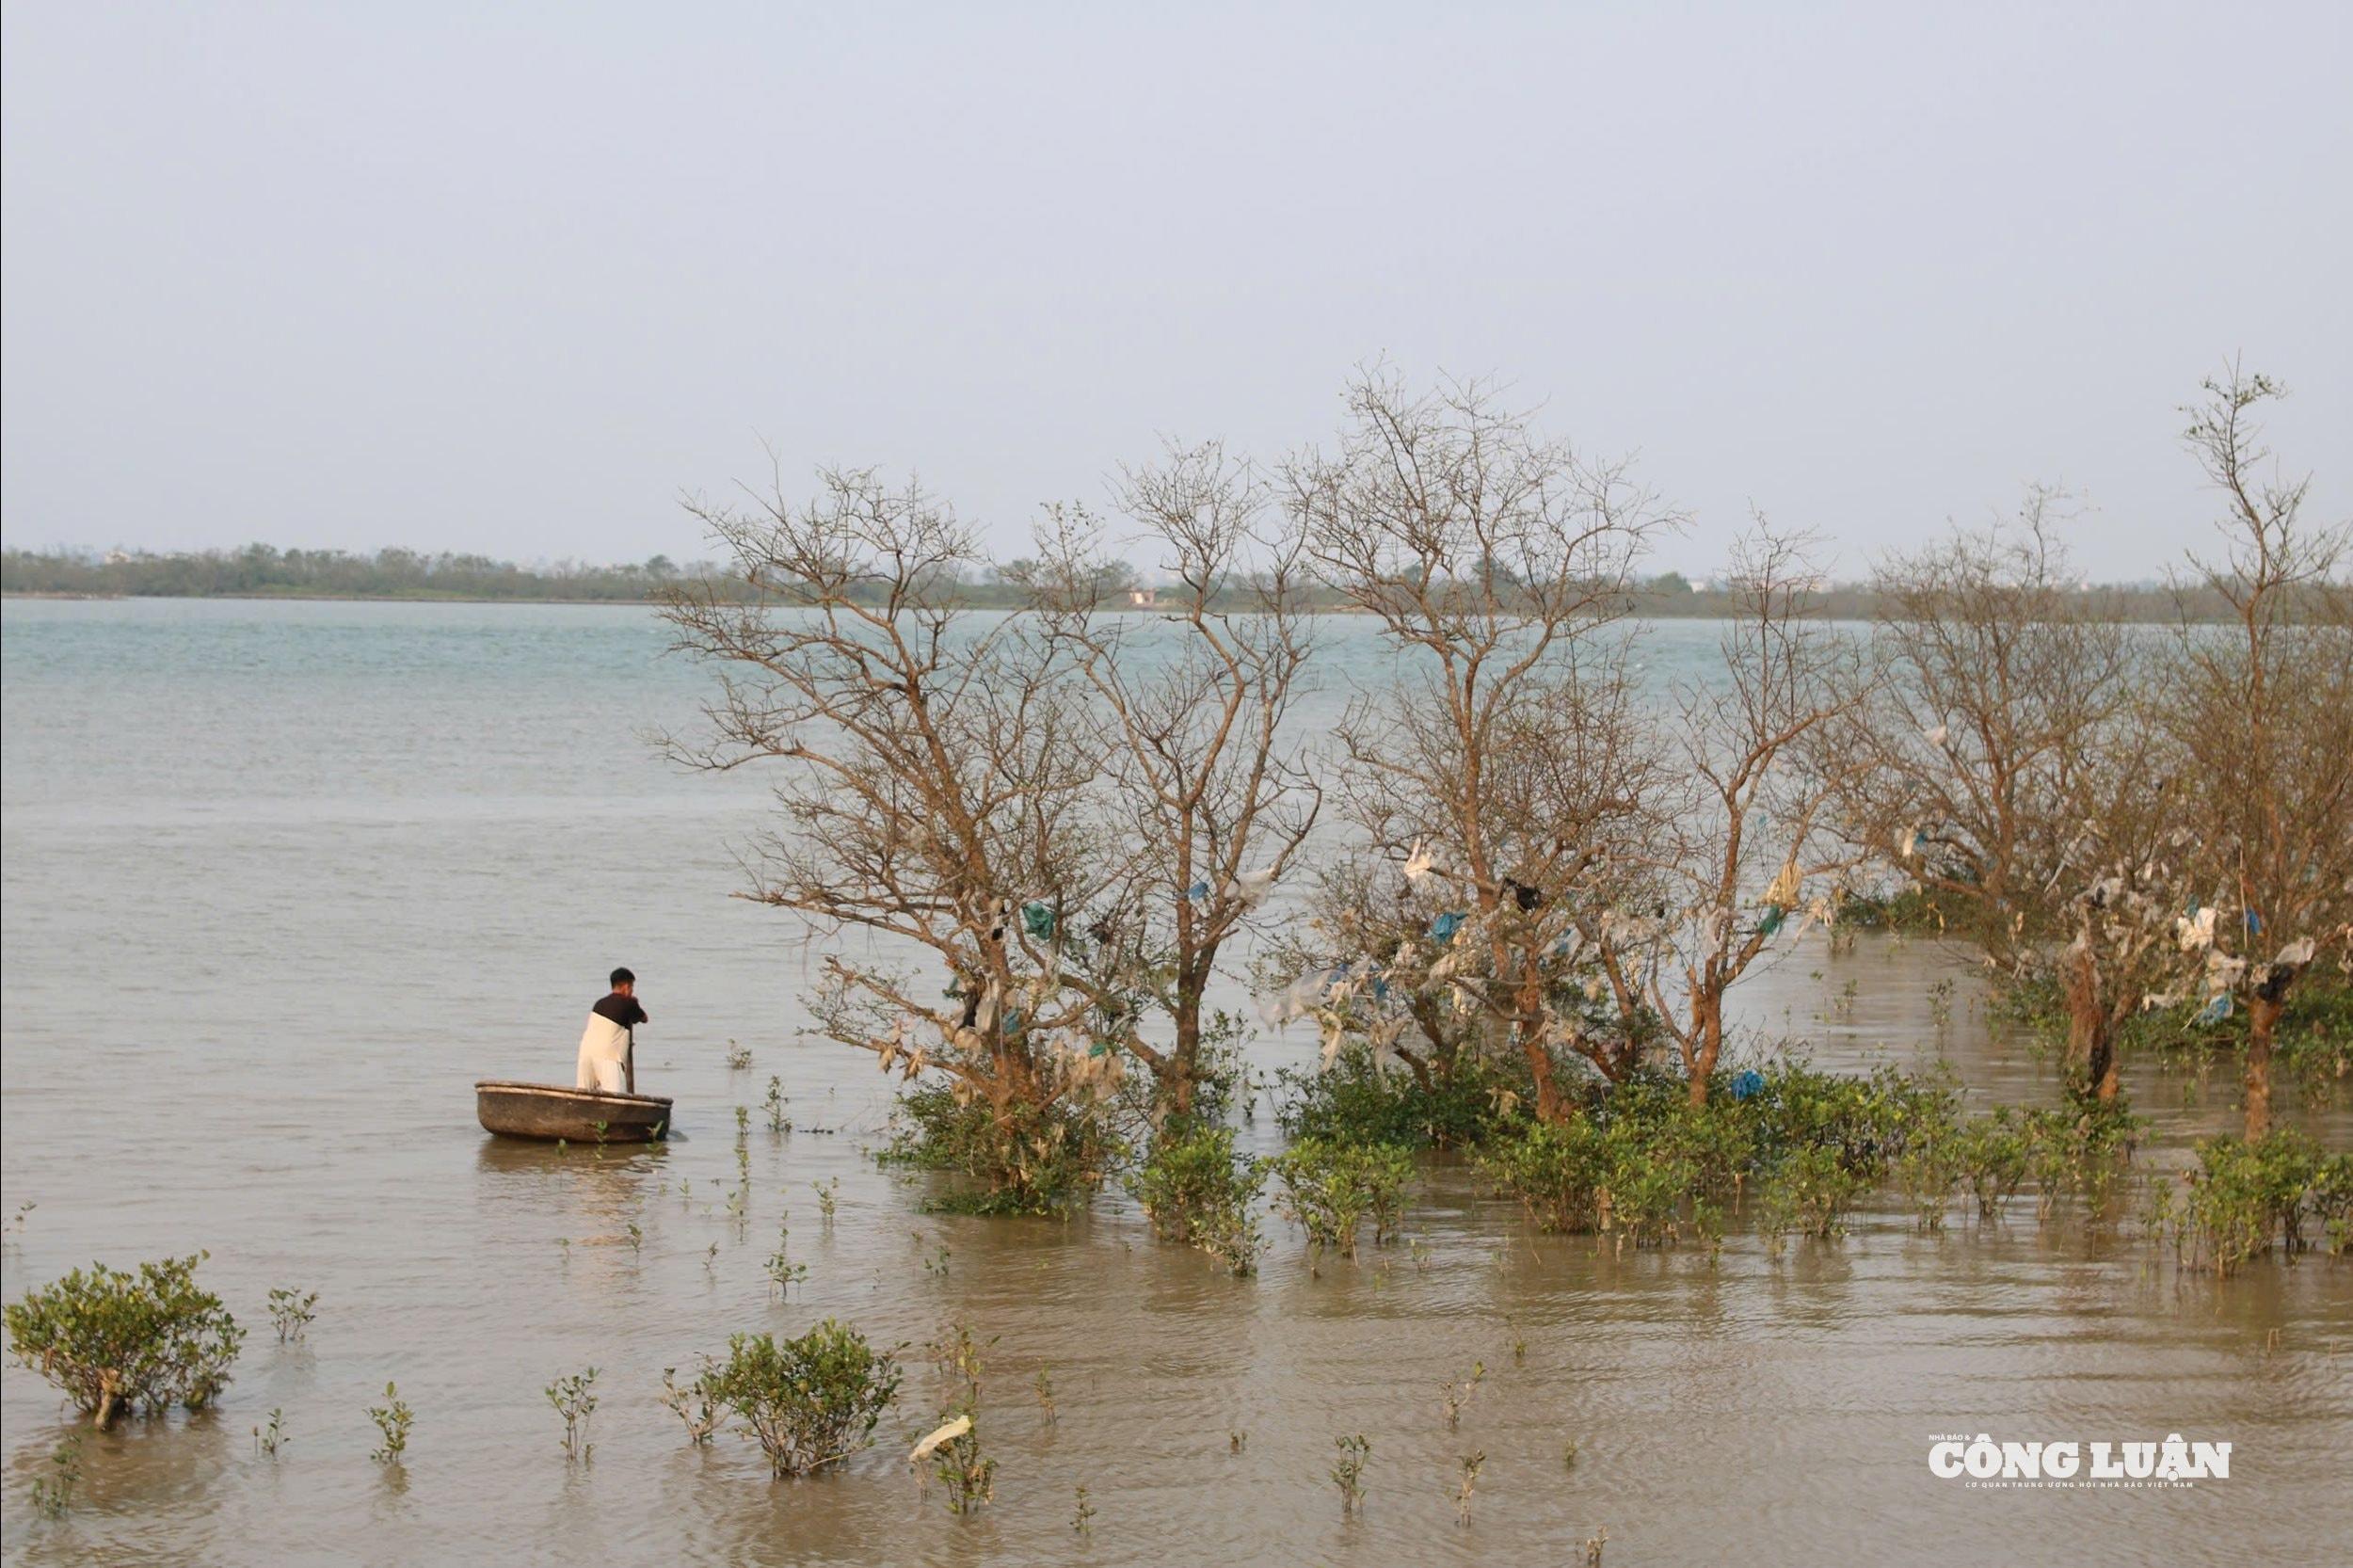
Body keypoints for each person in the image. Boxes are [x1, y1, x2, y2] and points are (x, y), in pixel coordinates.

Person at [576, 967, 648, 1094]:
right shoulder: (629, 1003)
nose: (632, 991)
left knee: (583, 1096)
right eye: (632, 987)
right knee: (616, 1097)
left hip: (586, 1053)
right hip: (609, 1056)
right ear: (626, 986)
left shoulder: (599, 1003)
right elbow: (644, 1018)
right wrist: (634, 1003)